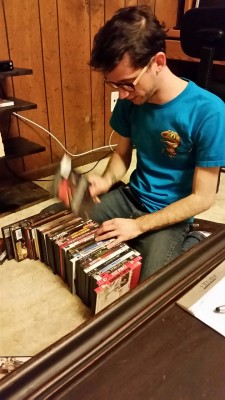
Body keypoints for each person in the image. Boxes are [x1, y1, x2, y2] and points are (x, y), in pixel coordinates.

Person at [87, 5, 225, 282]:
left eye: (127, 83)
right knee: (59, 222)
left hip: (170, 215)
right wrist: (105, 180)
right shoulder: (131, 100)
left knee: (150, 289)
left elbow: (203, 197)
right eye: (113, 85)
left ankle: (195, 240)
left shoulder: (210, 111)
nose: (122, 95)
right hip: (131, 196)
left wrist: (138, 226)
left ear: (158, 62)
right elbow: (122, 155)